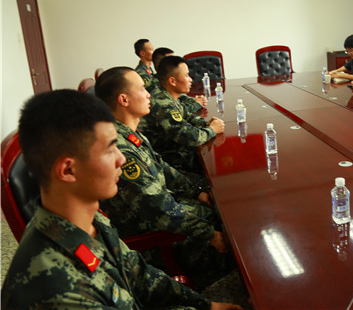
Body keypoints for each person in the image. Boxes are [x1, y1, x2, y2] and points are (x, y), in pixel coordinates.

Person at [1, 89, 241, 310]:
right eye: (109, 150)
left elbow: (139, 275)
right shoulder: (59, 291)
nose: (122, 160)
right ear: (68, 171)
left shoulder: (87, 218)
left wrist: (207, 306)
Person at [95, 67, 234, 289]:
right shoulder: (120, 149)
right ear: (124, 99)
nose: (149, 93)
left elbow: (162, 168)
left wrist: (196, 190)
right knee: (219, 219)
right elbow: (156, 208)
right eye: (142, 89)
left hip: (160, 209)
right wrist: (209, 234)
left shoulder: (128, 132)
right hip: (148, 235)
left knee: (215, 201)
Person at [140, 55, 224, 173]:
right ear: (172, 81)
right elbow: (190, 137)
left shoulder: (166, 95)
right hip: (171, 161)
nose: (191, 79)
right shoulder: (163, 103)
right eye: (186, 75)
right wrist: (212, 129)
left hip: (175, 151)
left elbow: (185, 115)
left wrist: (205, 123)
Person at [150, 47, 207, 113]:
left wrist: (194, 101)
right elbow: (179, 112)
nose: (191, 80)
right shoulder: (157, 90)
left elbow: (180, 101)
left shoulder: (168, 90)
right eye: (171, 60)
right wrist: (197, 104)